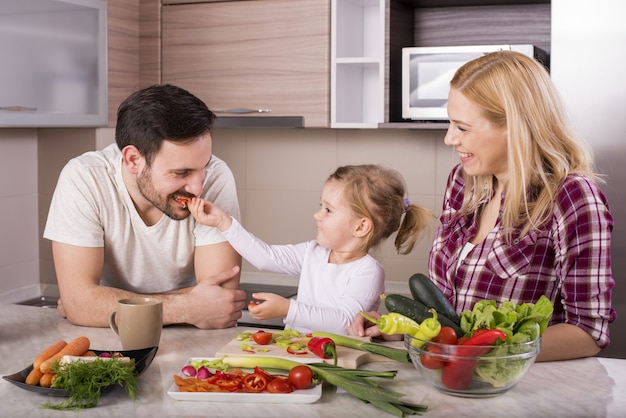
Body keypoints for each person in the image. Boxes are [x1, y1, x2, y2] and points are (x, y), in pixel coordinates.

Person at [349, 51, 616, 361]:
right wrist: (403, 326)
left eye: (463, 128)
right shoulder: (463, 183)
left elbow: (587, 333)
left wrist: (477, 352)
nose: (450, 138)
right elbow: (446, 312)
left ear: (515, 126)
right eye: (450, 124)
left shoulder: (572, 197)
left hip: (522, 392)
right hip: (450, 379)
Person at [44, 84, 247, 329]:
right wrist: (189, 306)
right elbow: (80, 305)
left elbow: (220, 301)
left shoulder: (216, 177)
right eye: (181, 172)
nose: (197, 188)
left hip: (190, 341)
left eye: (202, 167)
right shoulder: (84, 178)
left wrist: (101, 303)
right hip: (113, 341)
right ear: (133, 160)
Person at [188, 164, 433, 335]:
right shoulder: (312, 252)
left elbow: (345, 322)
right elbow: (265, 257)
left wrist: (288, 309)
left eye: (328, 209)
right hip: (298, 354)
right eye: (321, 205)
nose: (317, 214)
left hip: (338, 363)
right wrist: (223, 222)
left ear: (360, 226)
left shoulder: (367, 271)